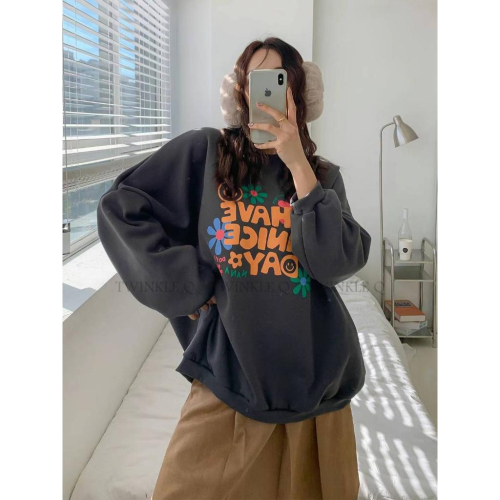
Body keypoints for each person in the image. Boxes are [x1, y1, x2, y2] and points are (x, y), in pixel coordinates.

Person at [97, 37, 371, 500]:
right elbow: (120, 208)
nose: (265, 93)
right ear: (241, 91)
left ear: (298, 92)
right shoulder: (205, 153)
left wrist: (298, 165)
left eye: (278, 80)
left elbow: (334, 264)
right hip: (229, 374)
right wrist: (186, 283)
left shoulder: (321, 177)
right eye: (254, 80)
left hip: (319, 381)